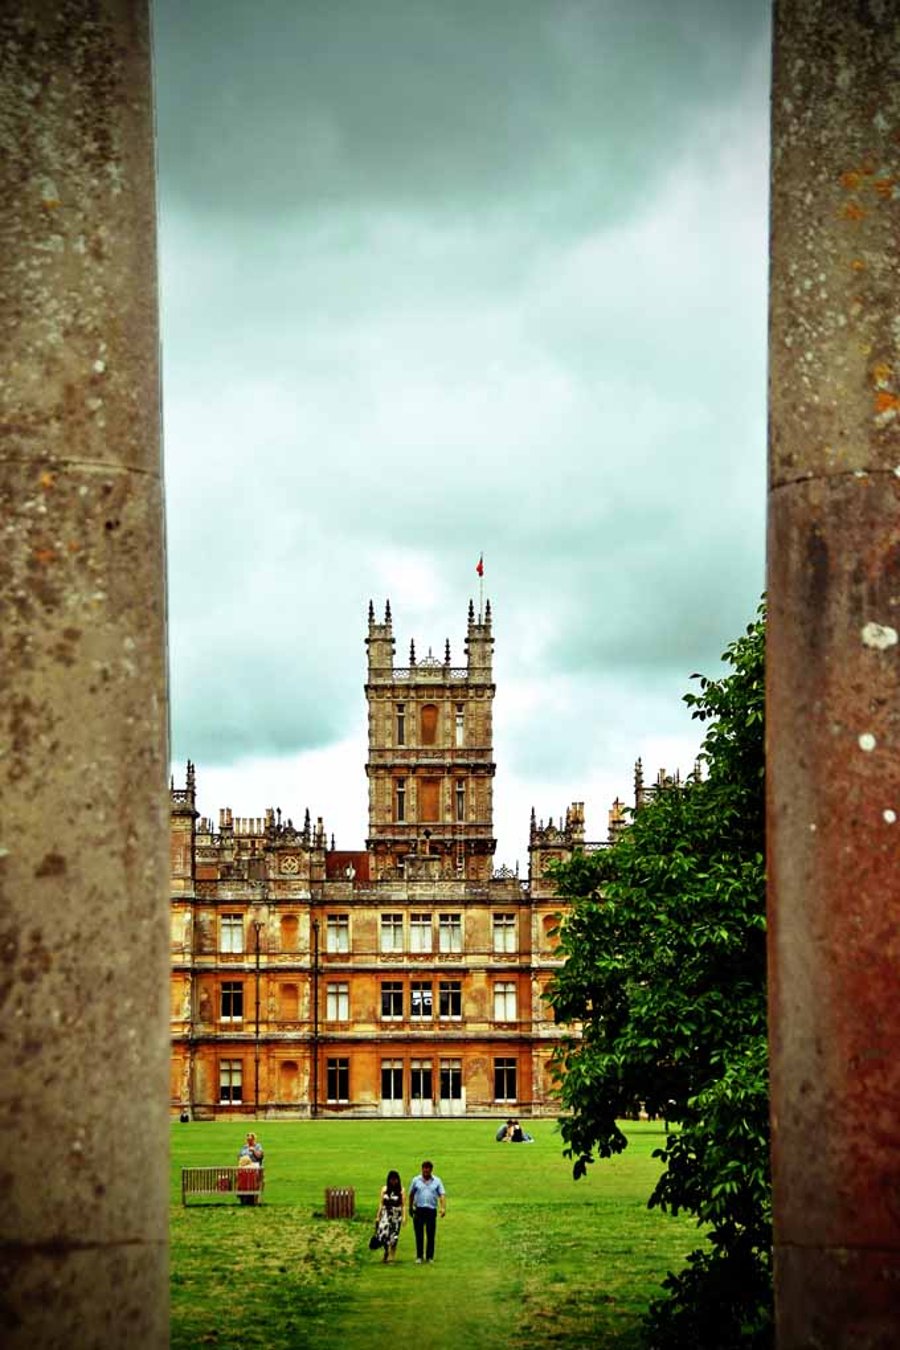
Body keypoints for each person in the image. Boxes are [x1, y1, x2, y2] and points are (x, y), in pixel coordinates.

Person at [408, 1159, 446, 1264]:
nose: (426, 1171)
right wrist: (410, 1207)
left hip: (431, 1210)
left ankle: (430, 1257)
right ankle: (419, 1256)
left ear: (431, 1170)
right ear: (422, 1169)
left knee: (430, 1234)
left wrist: (443, 1208)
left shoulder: (437, 1181)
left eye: (428, 1169)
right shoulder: (416, 1180)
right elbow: (411, 1194)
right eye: (424, 1169)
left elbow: (442, 1195)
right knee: (419, 1235)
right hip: (419, 1209)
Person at [374, 1169, 405, 1263]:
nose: (393, 1181)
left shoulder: (401, 1190)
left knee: (394, 1236)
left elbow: (403, 1205)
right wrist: (378, 1216)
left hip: (396, 1216)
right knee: (384, 1235)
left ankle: (392, 1256)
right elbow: (381, 1204)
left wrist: (404, 1217)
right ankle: (386, 1251)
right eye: (392, 1179)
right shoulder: (384, 1189)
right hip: (385, 1216)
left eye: (395, 1179)